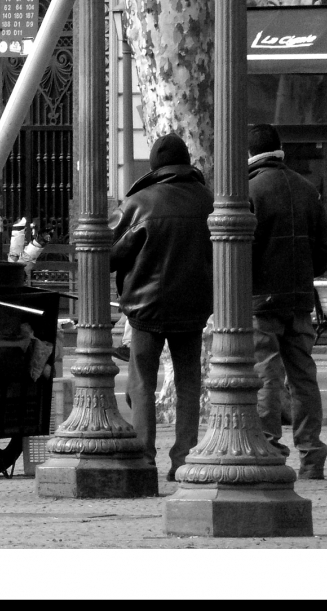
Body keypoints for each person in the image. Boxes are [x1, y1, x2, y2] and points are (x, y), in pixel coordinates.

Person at [110, 132, 213, 482]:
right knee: (188, 384)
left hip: (145, 309)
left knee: (142, 384)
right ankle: (183, 459)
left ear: (155, 168)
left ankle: (144, 457)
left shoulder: (139, 203)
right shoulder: (209, 201)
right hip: (193, 308)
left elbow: (107, 254)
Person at [248, 123, 327, 479]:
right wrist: (303, 274)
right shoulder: (305, 188)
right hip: (299, 299)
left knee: (266, 376)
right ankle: (312, 455)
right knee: (303, 378)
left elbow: (241, 250)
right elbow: (326, 250)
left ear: (251, 154)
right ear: (280, 149)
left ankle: (271, 450)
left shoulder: (249, 190)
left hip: (261, 301)